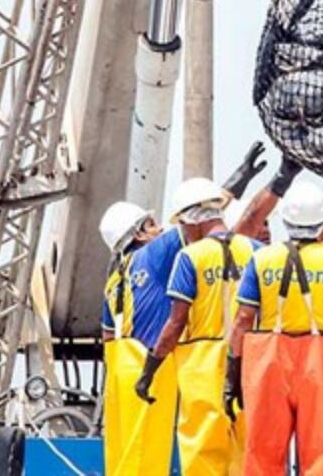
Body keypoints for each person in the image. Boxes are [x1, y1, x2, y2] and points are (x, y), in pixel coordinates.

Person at [100, 143, 269, 476]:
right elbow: (201, 213)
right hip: (151, 362)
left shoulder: (115, 280)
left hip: (119, 370)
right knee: (176, 450)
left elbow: (108, 336)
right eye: (152, 223)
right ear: (139, 233)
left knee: (127, 457)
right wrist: (241, 178)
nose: (160, 227)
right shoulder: (157, 254)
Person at [131, 153, 304, 476]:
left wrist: (150, 369)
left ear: (192, 220)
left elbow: (176, 321)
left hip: (202, 364)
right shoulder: (255, 252)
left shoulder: (190, 257)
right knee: (251, 448)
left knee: (203, 452)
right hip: (250, 360)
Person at [225, 181, 323, 476]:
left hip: (269, 365)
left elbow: (242, 320)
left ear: (286, 220)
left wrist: (233, 373)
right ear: (322, 220)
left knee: (262, 455)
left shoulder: (262, 259)